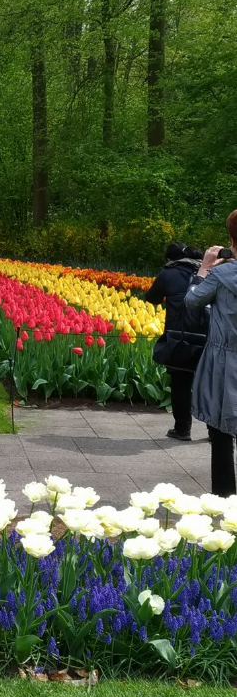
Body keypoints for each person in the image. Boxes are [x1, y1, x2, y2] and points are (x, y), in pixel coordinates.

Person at [185, 212, 237, 495]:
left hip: (224, 361)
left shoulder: (220, 274)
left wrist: (205, 267)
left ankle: (225, 498)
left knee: (221, 429)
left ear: (231, 239)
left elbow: (191, 301)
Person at [145, 242, 204, 441]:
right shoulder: (210, 272)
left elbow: (152, 298)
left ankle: (182, 429)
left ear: (170, 259)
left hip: (180, 336)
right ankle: (216, 432)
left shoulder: (168, 273)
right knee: (210, 384)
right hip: (210, 336)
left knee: (180, 383)